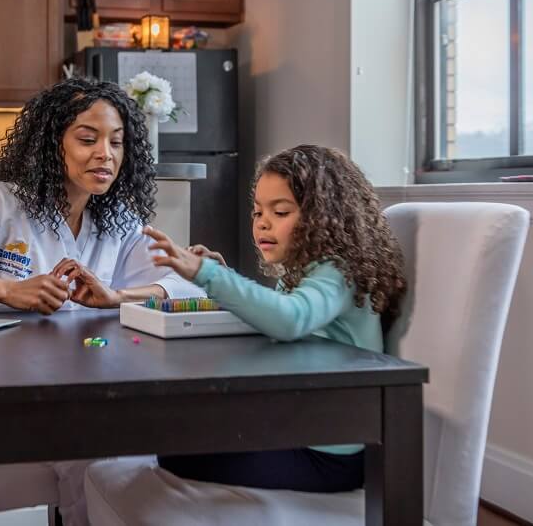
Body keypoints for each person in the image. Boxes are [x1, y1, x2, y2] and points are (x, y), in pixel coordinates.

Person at [0, 78, 203, 525]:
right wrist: (7, 290)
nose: (104, 154)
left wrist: (117, 295)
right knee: (99, 444)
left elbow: (186, 287)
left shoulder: (117, 219)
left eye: (116, 142)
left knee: (126, 434)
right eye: (87, 139)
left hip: (81, 380)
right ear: (53, 143)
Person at [144, 144, 407, 492]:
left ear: (323, 217)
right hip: (304, 430)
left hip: (330, 454)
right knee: (184, 431)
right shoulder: (305, 272)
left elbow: (290, 318)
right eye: (257, 212)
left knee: (176, 452)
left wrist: (207, 274)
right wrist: (225, 276)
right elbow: (274, 312)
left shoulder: (337, 273)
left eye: (280, 212)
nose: (263, 223)